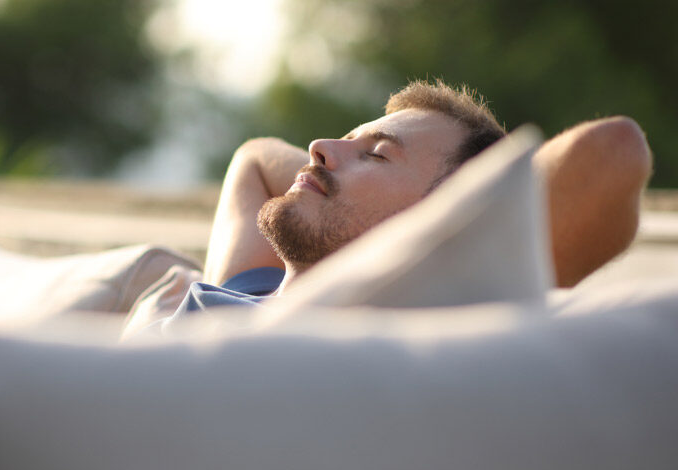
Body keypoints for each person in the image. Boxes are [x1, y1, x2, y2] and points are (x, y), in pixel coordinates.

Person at [125, 79, 652, 334]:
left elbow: (612, 152)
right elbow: (253, 160)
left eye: (376, 155)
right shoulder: (252, 285)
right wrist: (327, 175)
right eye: (340, 140)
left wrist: (434, 230)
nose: (319, 147)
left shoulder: (374, 318)